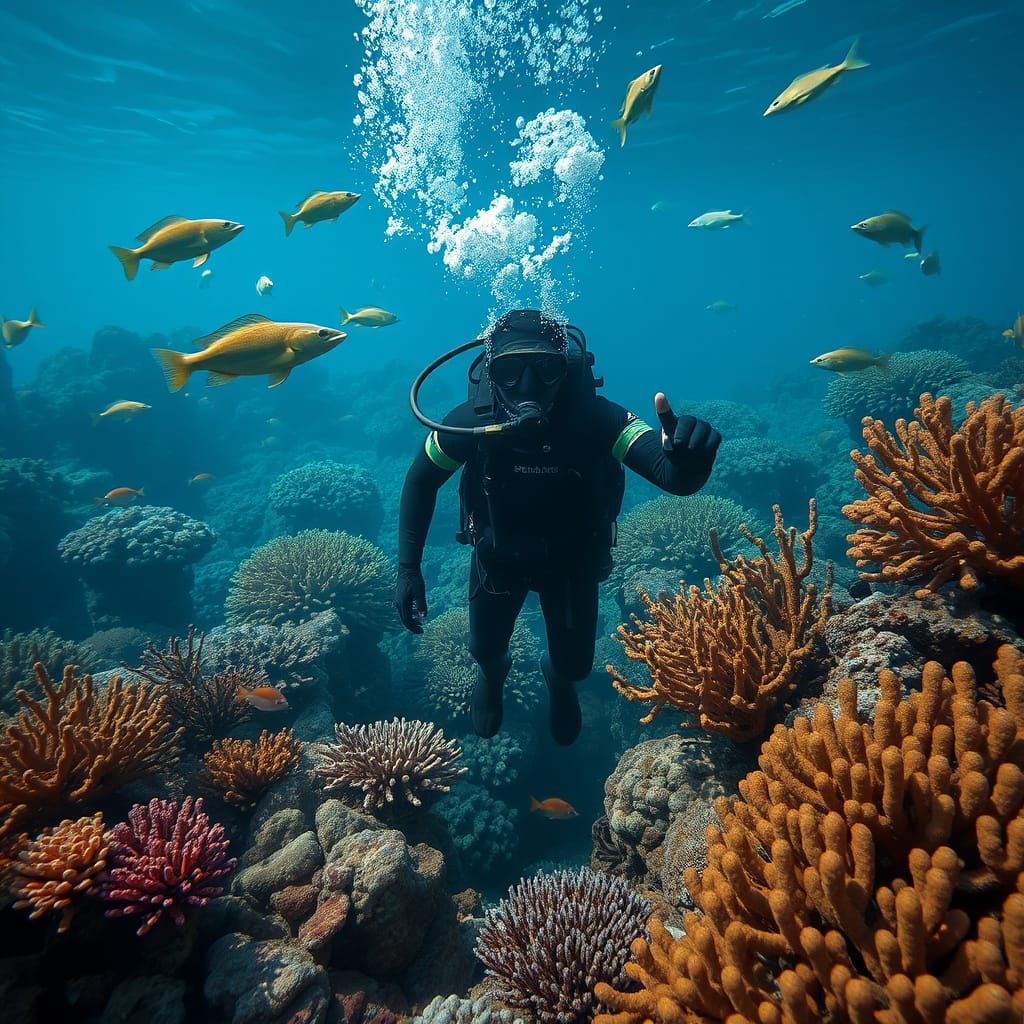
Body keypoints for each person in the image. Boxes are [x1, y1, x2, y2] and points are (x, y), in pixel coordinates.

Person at [395, 309, 721, 745]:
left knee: (574, 666)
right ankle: (493, 675)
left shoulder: (595, 417)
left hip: (572, 564)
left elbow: (672, 476)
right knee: (484, 650)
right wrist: (408, 568)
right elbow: (420, 481)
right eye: (510, 372)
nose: (527, 387)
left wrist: (692, 462)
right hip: (498, 558)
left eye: (545, 369)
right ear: (491, 372)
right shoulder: (473, 420)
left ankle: (559, 681)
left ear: (565, 368)